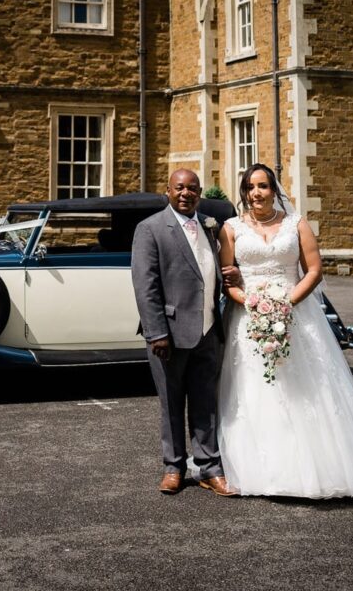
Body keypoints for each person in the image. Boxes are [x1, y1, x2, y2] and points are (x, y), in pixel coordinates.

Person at [216, 162, 353, 498]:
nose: (257, 193)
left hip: (297, 312)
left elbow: (313, 270)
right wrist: (253, 304)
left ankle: (321, 466)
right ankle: (263, 467)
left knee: (307, 387)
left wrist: (286, 304)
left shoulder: (296, 224)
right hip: (249, 317)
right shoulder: (230, 228)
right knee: (255, 389)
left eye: (263, 186)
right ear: (244, 192)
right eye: (250, 187)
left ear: (274, 190)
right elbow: (229, 279)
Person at [130, 169, 234, 496]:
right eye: (180, 188)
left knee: (206, 403)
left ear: (199, 193)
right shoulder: (150, 229)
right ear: (168, 191)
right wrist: (156, 332)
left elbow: (211, 274)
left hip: (208, 331)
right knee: (172, 404)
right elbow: (146, 287)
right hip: (169, 335)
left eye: (192, 188)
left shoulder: (209, 225)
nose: (186, 193)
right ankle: (173, 467)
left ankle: (209, 468)